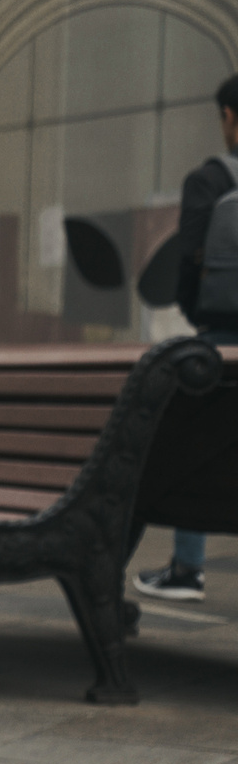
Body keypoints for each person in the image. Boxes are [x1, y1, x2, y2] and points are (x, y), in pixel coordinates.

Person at [136, 73, 238, 602]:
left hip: (222, 337)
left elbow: (190, 257)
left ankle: (187, 568)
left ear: (228, 117)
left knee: (195, 437)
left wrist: (194, 312)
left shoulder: (209, 180)